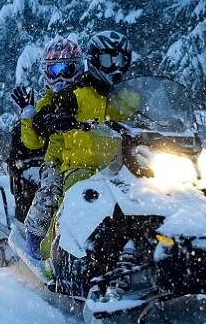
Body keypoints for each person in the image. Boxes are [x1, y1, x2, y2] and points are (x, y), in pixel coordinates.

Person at [23, 30, 136, 262]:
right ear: (94, 61)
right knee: (67, 197)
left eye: (120, 61)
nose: (114, 67)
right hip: (79, 165)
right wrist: (49, 118)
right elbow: (46, 117)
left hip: (122, 166)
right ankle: (51, 252)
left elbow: (153, 116)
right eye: (107, 60)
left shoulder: (131, 97)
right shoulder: (75, 94)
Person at [8, 38, 85, 230]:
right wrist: (28, 116)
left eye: (65, 70)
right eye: (54, 70)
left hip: (91, 159)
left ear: (77, 69)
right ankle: (36, 236)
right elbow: (32, 142)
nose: (59, 77)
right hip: (58, 162)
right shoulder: (45, 105)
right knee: (51, 195)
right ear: (46, 72)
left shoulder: (88, 96)